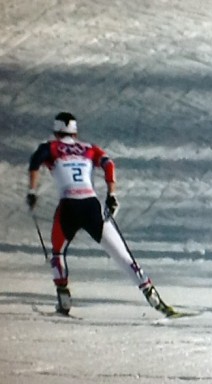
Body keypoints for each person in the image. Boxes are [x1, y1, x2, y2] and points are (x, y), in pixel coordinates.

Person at [27, 112, 176, 317]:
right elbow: (108, 164)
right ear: (75, 131)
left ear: (56, 130)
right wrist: (111, 194)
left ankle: (63, 296)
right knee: (122, 255)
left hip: (68, 206)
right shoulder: (89, 148)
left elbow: (35, 163)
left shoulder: (49, 148)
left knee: (58, 252)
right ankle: (152, 295)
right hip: (91, 204)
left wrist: (32, 192)